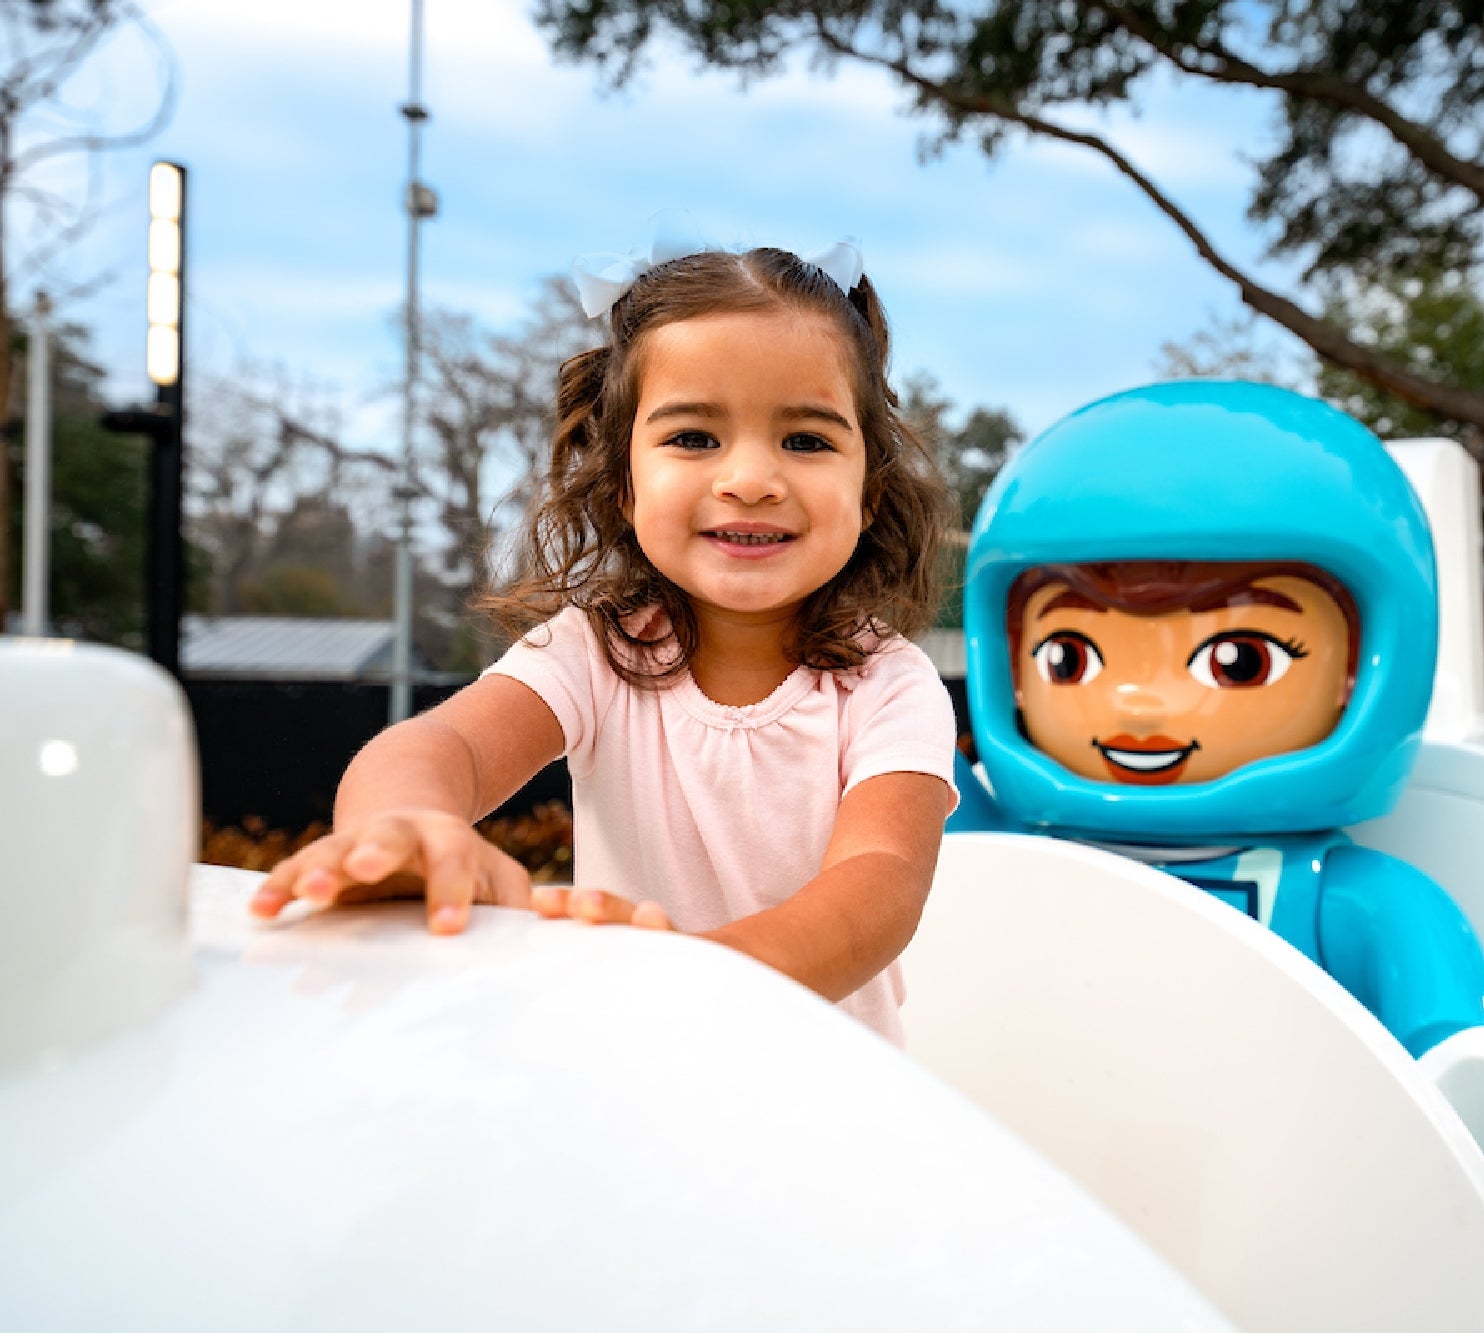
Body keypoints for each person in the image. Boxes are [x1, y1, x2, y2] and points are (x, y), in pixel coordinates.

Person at [948, 380, 1484, 1285]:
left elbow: (1451, 1045)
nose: (1139, 703)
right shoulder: (1001, 841)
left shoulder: (1357, 899)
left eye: (1237, 659)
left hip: (1278, 1225)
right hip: (1039, 1189)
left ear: (1359, 673)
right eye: (1072, 656)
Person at [249, 242, 961, 1043]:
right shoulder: (592, 652)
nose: (751, 479)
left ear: (869, 492)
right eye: (693, 437)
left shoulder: (892, 686)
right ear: (623, 483)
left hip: (827, 1090)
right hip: (621, 1067)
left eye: (806, 440)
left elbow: (880, 880)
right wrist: (404, 824)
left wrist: (700, 977)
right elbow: (448, 745)